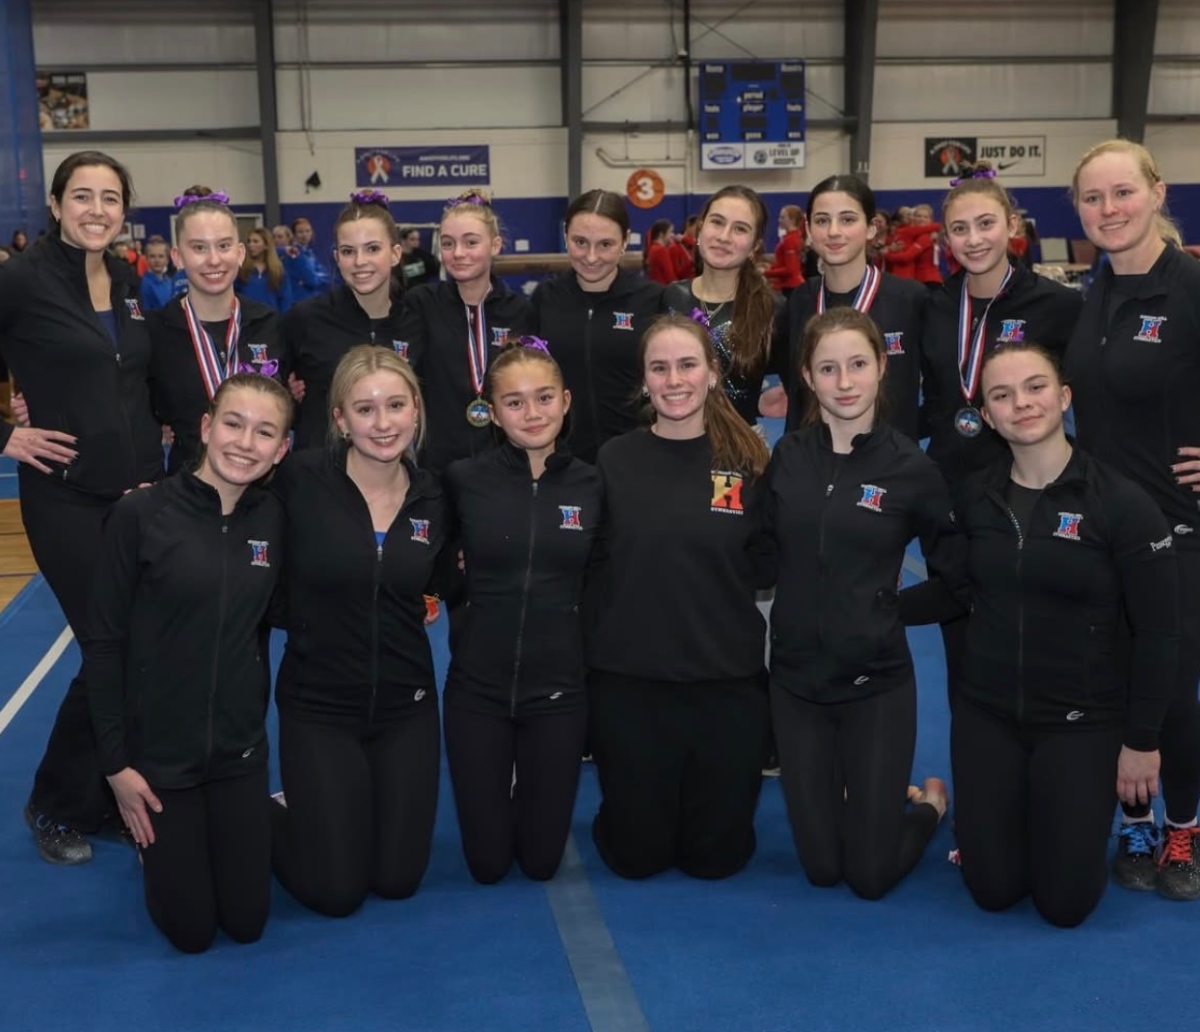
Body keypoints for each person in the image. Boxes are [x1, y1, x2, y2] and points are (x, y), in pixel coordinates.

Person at [914, 342, 1179, 926]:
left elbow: (1161, 631)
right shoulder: (978, 496)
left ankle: (1060, 816)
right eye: (1001, 395)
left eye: (1035, 387)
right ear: (986, 416)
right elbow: (959, 590)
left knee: (1065, 905)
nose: (1021, 403)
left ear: (1063, 397)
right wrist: (868, 608)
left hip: (1081, 722)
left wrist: (1141, 740)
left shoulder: (1121, 503)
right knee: (993, 890)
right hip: (987, 715)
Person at [86, 373, 291, 952]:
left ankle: (263, 812)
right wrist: (117, 768)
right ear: (205, 427)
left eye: (264, 432)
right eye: (233, 423)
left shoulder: (273, 520)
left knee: (247, 924)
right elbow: (102, 644)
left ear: (281, 451)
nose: (244, 442)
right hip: (158, 764)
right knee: (192, 932)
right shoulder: (140, 515)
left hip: (238, 752)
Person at [765, 307, 962, 899]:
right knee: (823, 869)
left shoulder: (912, 468)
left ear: (882, 367)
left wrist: (891, 609)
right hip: (797, 684)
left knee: (869, 877)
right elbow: (754, 548)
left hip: (876, 684)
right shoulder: (789, 457)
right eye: (828, 368)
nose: (844, 382)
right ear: (806, 377)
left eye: (857, 365)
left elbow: (958, 576)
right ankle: (865, 794)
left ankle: (927, 806)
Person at [0, 151, 163, 865]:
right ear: (58, 203)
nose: (97, 209)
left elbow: (129, 383)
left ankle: (100, 794)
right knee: (111, 642)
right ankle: (57, 802)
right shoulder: (22, 280)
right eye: (83, 196)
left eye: (110, 198)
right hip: (64, 498)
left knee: (136, 648)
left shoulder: (127, 280)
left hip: (135, 497)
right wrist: (7, 433)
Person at [586, 313, 771, 879]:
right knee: (636, 859)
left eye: (687, 365)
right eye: (659, 368)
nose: (674, 380)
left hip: (724, 683)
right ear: (644, 381)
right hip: (633, 684)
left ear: (713, 374)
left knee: (716, 861)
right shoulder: (615, 460)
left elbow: (772, 560)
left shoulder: (748, 463)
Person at [1067, 139, 1200, 900]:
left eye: (1122, 193)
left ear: (1156, 193)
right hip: (1104, 527)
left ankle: (1183, 824)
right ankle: (1137, 824)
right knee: (1119, 679)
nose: (1109, 210)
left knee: (1172, 686)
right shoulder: (1093, 293)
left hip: (1181, 527)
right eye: (1093, 199)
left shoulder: (1190, 287)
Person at [271, 346, 444, 917]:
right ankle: (258, 811)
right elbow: (223, 503)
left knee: (397, 880)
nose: (383, 423)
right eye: (365, 409)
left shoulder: (438, 496)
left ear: (415, 409)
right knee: (337, 893)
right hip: (320, 708)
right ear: (340, 418)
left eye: (395, 405)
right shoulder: (297, 481)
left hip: (406, 707)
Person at [442, 338, 601, 883]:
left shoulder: (592, 484)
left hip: (557, 693)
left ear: (566, 400)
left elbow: (607, 578)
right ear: (491, 408)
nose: (532, 414)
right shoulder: (463, 480)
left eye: (544, 398)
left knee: (540, 864)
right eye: (514, 402)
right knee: (486, 867)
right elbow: (433, 568)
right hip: (477, 690)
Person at [922, 164, 1082, 492]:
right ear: (947, 238)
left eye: (985, 224)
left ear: (1012, 225)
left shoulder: (1057, 305)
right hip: (949, 482)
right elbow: (935, 398)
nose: (974, 239)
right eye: (960, 229)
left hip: (1030, 485)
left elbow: (1096, 399)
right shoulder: (935, 307)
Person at [773, 175, 926, 441]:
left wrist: (905, 433)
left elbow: (939, 390)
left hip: (889, 466)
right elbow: (795, 383)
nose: (833, 231)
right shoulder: (799, 301)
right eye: (822, 220)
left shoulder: (910, 299)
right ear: (809, 229)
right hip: (812, 465)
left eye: (847, 219)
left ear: (871, 227)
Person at [147, 189, 289, 475]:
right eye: (199, 248)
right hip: (185, 491)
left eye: (223, 246)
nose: (213, 260)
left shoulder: (269, 324)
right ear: (178, 257)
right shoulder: (153, 331)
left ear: (239, 253)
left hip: (264, 494)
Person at [398, 190, 535, 474]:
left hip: (504, 459)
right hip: (436, 461)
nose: (458, 253)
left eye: (471, 242)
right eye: (448, 244)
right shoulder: (421, 303)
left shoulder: (520, 311)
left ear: (495, 245)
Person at [531, 189, 665, 462]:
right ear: (566, 235)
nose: (591, 257)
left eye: (605, 244)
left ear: (625, 240)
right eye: (580, 242)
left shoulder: (651, 300)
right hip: (563, 460)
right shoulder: (545, 299)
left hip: (638, 457)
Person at [282, 191, 405, 451]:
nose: (360, 262)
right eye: (348, 251)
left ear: (395, 254)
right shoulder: (305, 319)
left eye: (372, 248)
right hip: (319, 475)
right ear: (337, 257)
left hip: (393, 475)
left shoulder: (417, 317)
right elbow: (272, 390)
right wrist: (290, 397)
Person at [663, 186, 786, 427]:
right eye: (717, 222)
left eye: (740, 229)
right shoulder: (671, 297)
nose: (724, 236)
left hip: (741, 452)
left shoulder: (773, 308)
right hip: (676, 443)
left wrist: (759, 402)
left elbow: (783, 390)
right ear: (701, 228)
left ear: (754, 246)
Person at [238, 227, 293, 312]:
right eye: (249, 241)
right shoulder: (241, 269)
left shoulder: (278, 271)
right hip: (246, 320)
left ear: (266, 245)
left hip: (271, 320)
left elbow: (285, 299)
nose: (250, 245)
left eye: (255, 241)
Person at [762, 204, 806, 296]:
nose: (779, 220)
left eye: (782, 217)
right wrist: (771, 268)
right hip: (788, 285)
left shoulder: (790, 240)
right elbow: (784, 263)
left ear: (792, 220)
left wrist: (766, 273)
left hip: (790, 286)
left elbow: (790, 269)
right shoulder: (792, 238)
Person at [289, 217, 331, 302]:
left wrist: (316, 276)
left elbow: (327, 275)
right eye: (300, 232)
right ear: (294, 234)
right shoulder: (294, 252)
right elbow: (312, 280)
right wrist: (316, 276)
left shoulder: (310, 253)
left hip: (312, 299)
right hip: (299, 301)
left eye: (307, 231)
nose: (304, 235)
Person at [139, 235, 174, 312]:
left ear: (167, 260)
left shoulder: (171, 282)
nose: (157, 260)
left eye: (161, 256)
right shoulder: (143, 285)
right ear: (146, 259)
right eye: (152, 256)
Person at [643, 219, 676, 286]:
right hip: (664, 289)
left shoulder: (653, 248)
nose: (673, 235)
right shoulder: (661, 250)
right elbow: (670, 276)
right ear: (661, 234)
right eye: (670, 232)